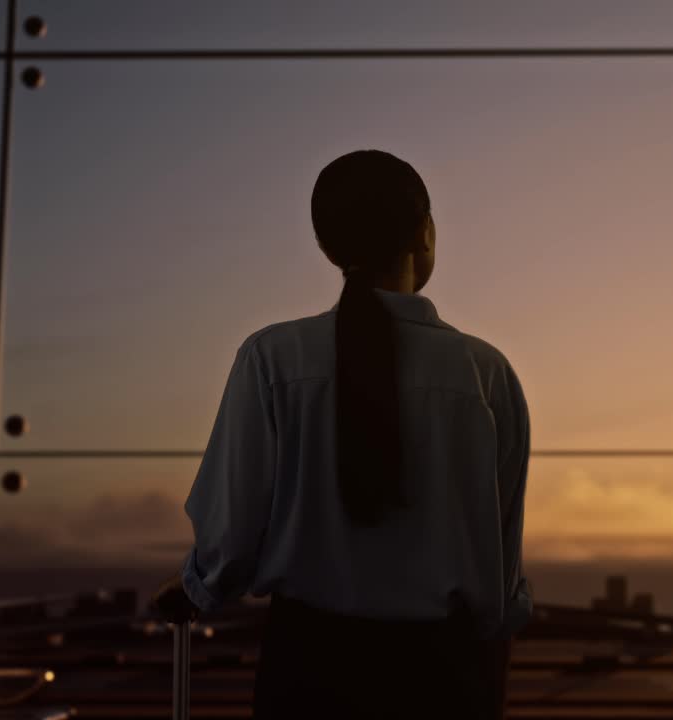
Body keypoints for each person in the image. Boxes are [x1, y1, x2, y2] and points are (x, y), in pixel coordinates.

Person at [153, 149, 532, 719]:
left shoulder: (272, 359)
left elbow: (231, 537)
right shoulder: (486, 374)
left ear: (328, 249)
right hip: (445, 679)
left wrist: (195, 589)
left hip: (309, 670)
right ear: (425, 233)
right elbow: (500, 568)